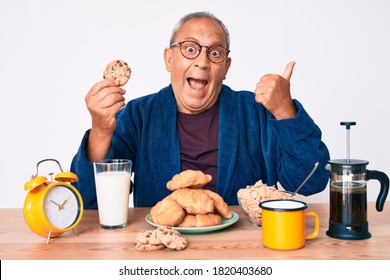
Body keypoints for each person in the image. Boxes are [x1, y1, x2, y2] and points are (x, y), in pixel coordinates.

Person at [71, 11, 330, 209]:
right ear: (169, 59)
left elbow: (311, 181)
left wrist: (286, 112)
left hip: (240, 248)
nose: (202, 62)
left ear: (226, 67)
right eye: (190, 49)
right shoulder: (139, 115)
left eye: (215, 53)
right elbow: (86, 200)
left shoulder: (256, 112)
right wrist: (101, 131)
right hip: (160, 248)